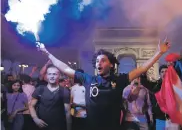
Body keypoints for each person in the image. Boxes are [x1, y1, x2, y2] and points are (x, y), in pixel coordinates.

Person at [36, 39, 170, 130]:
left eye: (103, 60)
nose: (98, 63)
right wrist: (48, 54)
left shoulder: (120, 80)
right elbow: (65, 68)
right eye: (97, 61)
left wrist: (159, 53)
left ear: (111, 64)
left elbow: (141, 69)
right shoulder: (88, 79)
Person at [29, 65, 71, 130]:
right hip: (41, 126)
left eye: (54, 74)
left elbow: (67, 112)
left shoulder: (64, 91)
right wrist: (35, 119)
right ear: (46, 76)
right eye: (49, 74)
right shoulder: (40, 89)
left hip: (58, 126)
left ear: (59, 76)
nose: (52, 76)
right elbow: (31, 105)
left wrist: (69, 128)